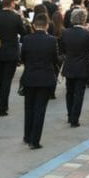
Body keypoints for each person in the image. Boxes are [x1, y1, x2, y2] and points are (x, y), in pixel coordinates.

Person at [19, 13, 59, 150]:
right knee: (40, 109)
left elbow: (22, 57)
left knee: (28, 107)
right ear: (47, 25)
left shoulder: (26, 39)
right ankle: (34, 140)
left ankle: (27, 135)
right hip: (45, 78)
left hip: (29, 77)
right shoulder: (52, 40)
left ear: (34, 25)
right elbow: (55, 60)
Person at [0, 0, 25, 117]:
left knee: (0, 79)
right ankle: (3, 106)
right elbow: (23, 33)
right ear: (12, 4)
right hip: (12, 52)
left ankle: (3, 103)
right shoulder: (16, 17)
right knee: (7, 80)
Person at [60, 7, 89, 128]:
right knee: (79, 93)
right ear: (84, 20)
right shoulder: (88, 34)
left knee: (69, 92)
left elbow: (62, 49)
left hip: (69, 65)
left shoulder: (65, 33)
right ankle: (75, 118)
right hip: (82, 66)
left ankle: (70, 115)